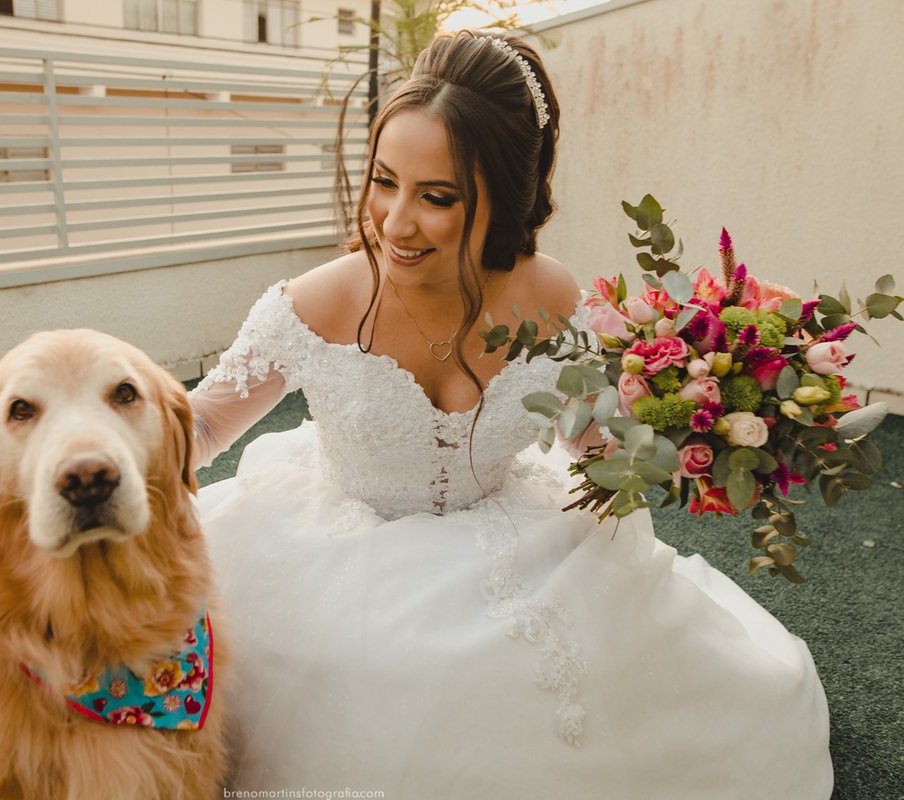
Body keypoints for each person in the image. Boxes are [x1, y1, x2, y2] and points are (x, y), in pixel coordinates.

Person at [187, 30, 833, 798]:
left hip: (509, 533)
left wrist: (680, 426)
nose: (394, 222)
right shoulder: (316, 302)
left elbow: (591, 442)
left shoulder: (552, 296)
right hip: (332, 552)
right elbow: (203, 426)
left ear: (505, 197)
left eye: (437, 197)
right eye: (384, 181)